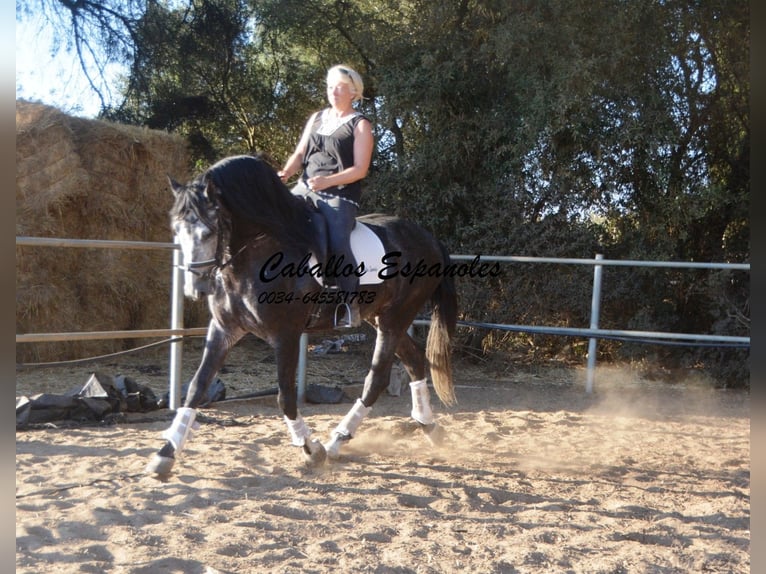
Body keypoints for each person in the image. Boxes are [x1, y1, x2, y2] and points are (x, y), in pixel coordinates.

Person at [278, 64, 374, 328]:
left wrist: (327, 181)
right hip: (305, 188)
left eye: (340, 87)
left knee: (337, 241)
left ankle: (350, 303)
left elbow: (360, 169)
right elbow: (299, 154)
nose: (333, 91)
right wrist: (285, 172)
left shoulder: (360, 124)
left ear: (354, 92)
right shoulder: (317, 118)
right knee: (273, 220)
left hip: (340, 195)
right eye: (330, 86)